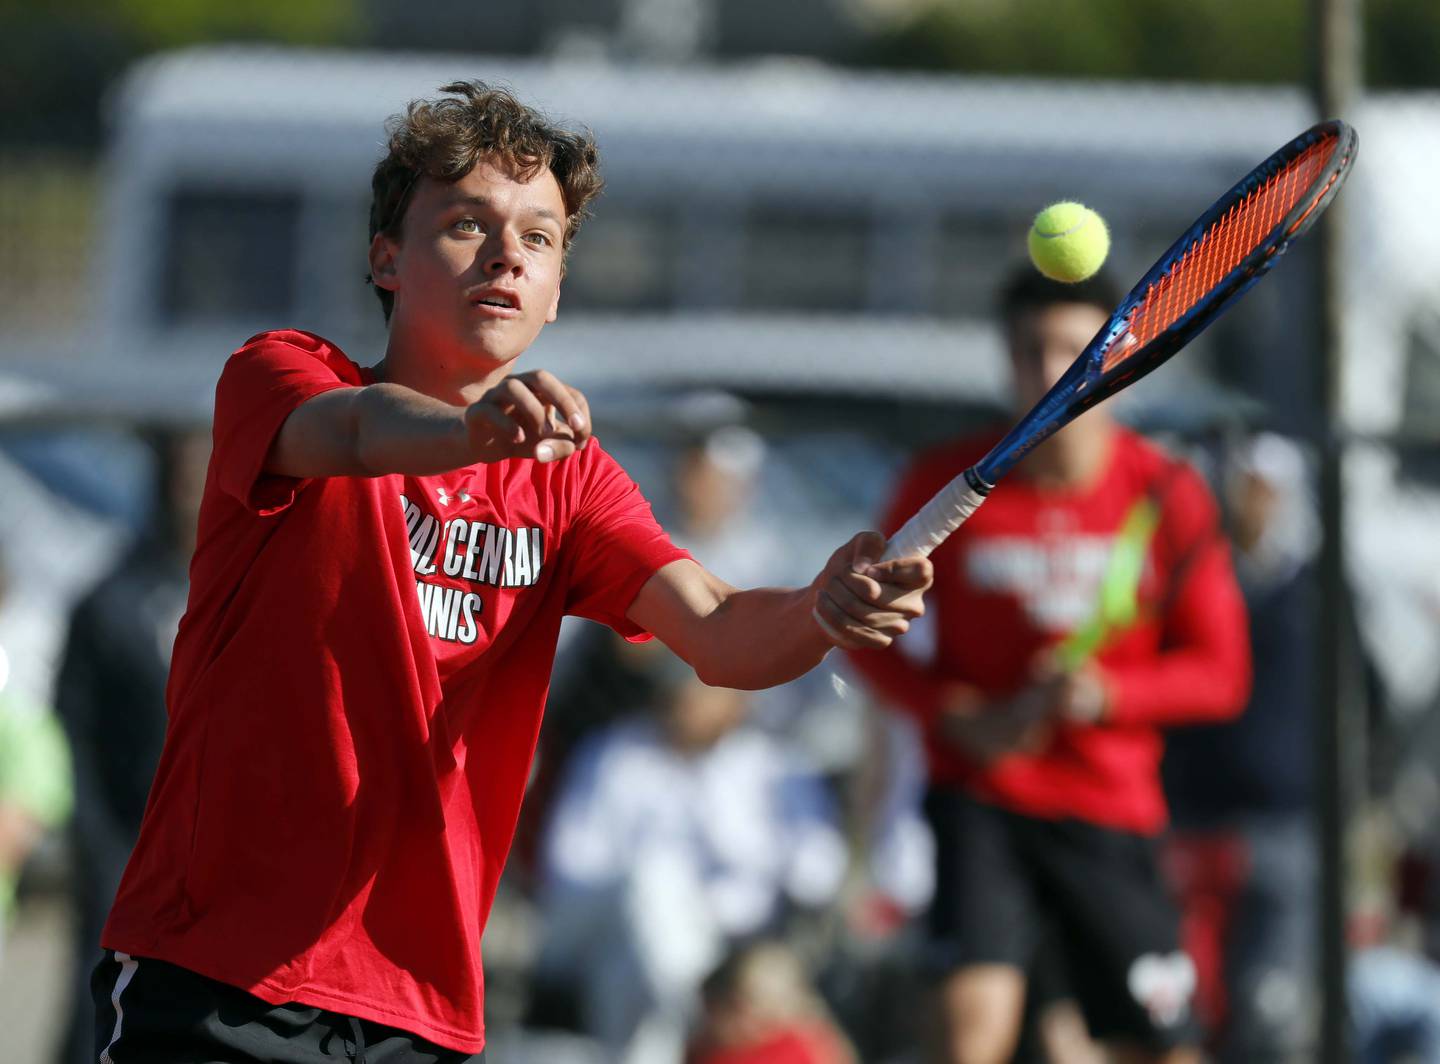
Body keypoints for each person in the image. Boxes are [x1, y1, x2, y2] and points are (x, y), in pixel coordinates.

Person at [91, 80, 931, 1064]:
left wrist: (822, 609)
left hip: (416, 1001)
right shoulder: (281, 375)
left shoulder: (570, 481)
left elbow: (719, 629)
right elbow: (359, 433)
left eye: (539, 238)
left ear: (559, 284)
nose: (506, 255)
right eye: (465, 224)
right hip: (216, 972)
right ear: (385, 258)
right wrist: (473, 431)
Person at [848, 267, 1251, 1064]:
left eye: (1075, 349)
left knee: (1158, 1045)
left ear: (1119, 358)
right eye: (1032, 350)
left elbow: (1220, 673)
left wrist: (1108, 695)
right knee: (972, 1029)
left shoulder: (1166, 494)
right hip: (982, 801)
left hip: (1109, 809)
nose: (1053, 373)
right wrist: (955, 713)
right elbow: (866, 635)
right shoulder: (945, 487)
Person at [533, 652, 847, 1063]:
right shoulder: (615, 752)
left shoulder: (772, 767)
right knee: (655, 886)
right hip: (605, 926)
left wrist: (730, 854)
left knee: (630, 968)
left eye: (704, 693)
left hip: (731, 946)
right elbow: (567, 867)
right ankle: (692, 1021)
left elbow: (821, 870)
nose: (689, 703)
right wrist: (658, 885)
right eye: (681, 691)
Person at [1162, 431, 1320, 1062]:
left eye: (1265, 489)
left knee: (1271, 1007)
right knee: (1185, 1002)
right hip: (1192, 825)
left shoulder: (1317, 593)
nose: (1252, 502)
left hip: (1284, 829)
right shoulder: (1194, 581)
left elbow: (1364, 706)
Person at [54, 426, 209, 1064]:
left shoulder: (240, 591)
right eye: (185, 473)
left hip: (213, 852)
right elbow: (75, 728)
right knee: (104, 995)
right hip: (125, 842)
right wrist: (95, 841)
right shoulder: (112, 599)